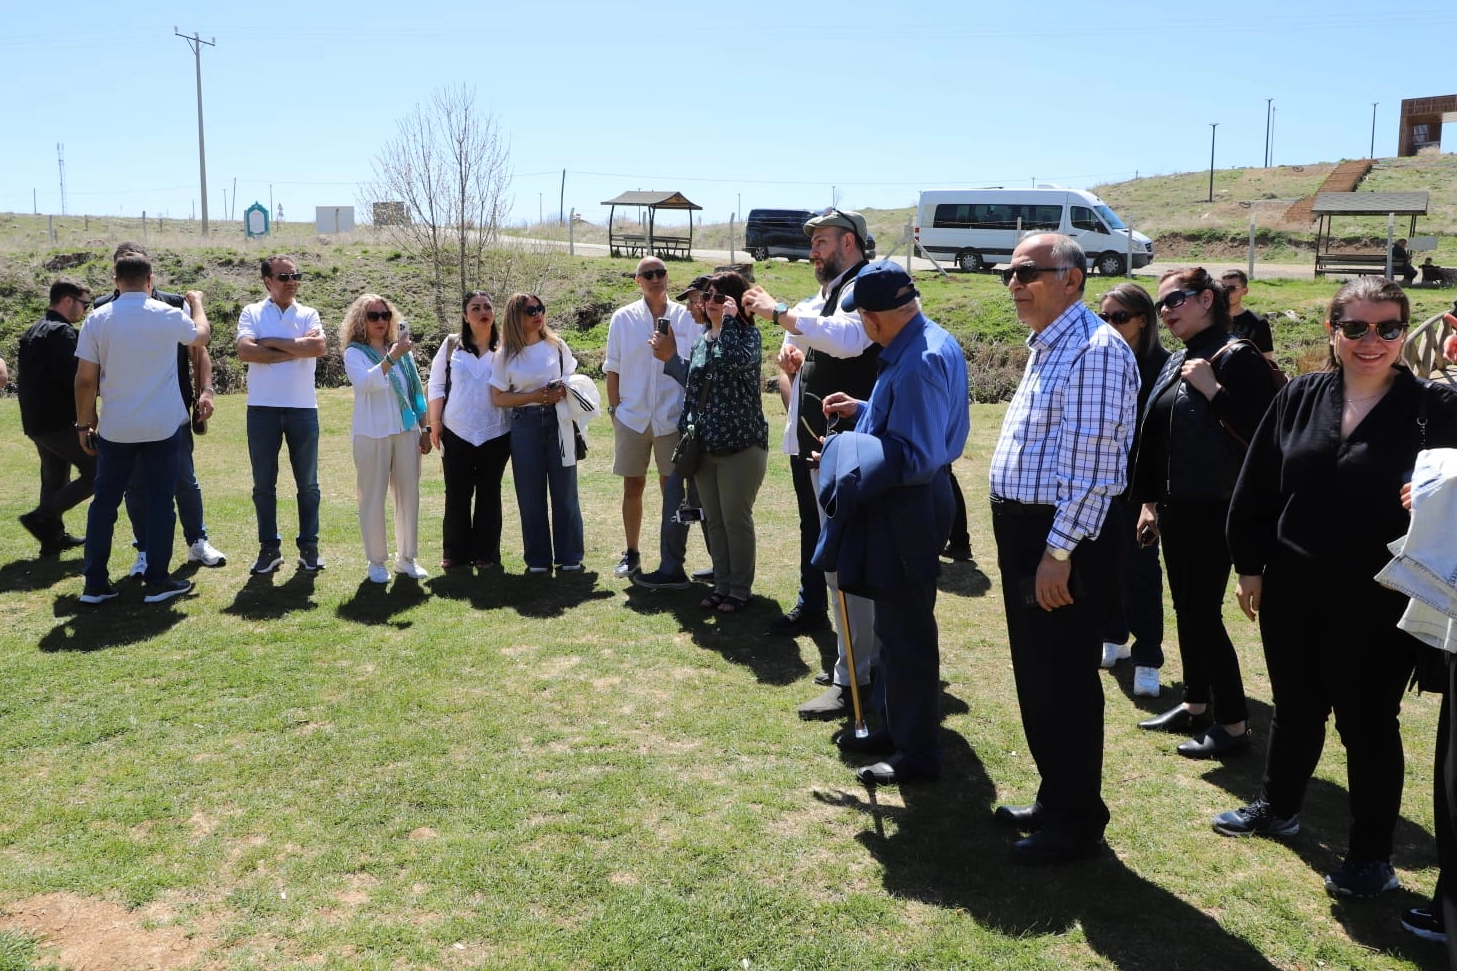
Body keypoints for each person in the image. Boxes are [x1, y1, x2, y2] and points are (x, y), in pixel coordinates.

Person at [1217, 277, 1457, 900]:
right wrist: (1249, 564)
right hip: (1292, 583)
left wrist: (1433, 496)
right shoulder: (1300, 394)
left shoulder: (1435, 407)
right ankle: (1278, 805)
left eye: (1387, 328)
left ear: (1406, 334)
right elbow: (1259, 484)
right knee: (1296, 705)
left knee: (1369, 723)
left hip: (1379, 597)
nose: (1371, 341)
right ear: (1334, 331)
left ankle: (1371, 856)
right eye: (1356, 328)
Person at [988, 233, 1139, 865]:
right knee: (1039, 673)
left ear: (1072, 279)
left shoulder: (1095, 350)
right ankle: (1057, 797)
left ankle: (1078, 823)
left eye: (1029, 272)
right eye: (1011, 273)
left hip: (1058, 538)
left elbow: (1093, 469)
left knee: (1064, 678)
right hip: (1033, 533)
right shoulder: (1050, 346)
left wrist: (1058, 551)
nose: (1016, 283)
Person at [815, 261, 969, 786]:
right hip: (910, 501)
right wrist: (865, 410)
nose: (861, 327)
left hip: (912, 504)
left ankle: (917, 753)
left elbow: (915, 455)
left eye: (861, 319)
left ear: (877, 318)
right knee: (891, 626)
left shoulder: (920, 360)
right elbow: (909, 421)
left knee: (906, 634)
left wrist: (847, 455)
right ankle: (893, 726)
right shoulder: (924, 340)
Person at [1132, 268, 1277, 757]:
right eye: (1161, 305)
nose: (1167, 311)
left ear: (1208, 298)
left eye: (1177, 299)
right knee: (1188, 610)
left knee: (1201, 613)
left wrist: (1215, 391)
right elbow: (1159, 436)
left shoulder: (1237, 357)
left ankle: (1234, 725)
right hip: (1180, 506)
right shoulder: (1181, 358)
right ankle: (1196, 704)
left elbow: (1266, 433)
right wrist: (1151, 502)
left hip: (1218, 506)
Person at [743, 209, 880, 717]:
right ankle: (858, 665)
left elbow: (850, 339)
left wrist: (775, 309)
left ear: (849, 243)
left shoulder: (864, 285)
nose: (813, 252)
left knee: (850, 565)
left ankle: (856, 678)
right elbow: (832, 343)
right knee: (841, 562)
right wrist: (803, 364)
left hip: (853, 451)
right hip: (831, 447)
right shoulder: (836, 290)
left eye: (821, 241)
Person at [73, 254, 210, 604]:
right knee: (162, 503)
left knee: (104, 504)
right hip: (161, 425)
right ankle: (158, 580)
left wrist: (84, 423)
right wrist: (196, 303)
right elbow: (201, 337)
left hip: (117, 427)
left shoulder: (97, 319)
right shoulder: (167, 315)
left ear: (116, 281)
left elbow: (85, 381)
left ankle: (94, 584)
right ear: (150, 280)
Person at [92, 242, 225, 576]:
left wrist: (205, 389)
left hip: (171, 413)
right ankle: (146, 551)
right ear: (117, 274)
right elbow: (90, 370)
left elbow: (199, 349)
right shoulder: (101, 310)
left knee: (184, 481)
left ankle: (197, 541)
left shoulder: (172, 304)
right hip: (124, 418)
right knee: (135, 488)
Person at [1094, 283, 1169, 698]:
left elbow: (1161, 437)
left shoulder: (1163, 365)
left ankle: (1148, 655)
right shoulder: (1100, 360)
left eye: (1120, 317)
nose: (1110, 325)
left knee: (1141, 571)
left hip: (1144, 486)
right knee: (1105, 564)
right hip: (1103, 480)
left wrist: (1151, 501)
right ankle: (1113, 635)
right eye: (1103, 317)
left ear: (1143, 319)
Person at [604, 257, 699, 581]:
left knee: (672, 490)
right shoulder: (623, 318)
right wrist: (615, 411)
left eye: (660, 273)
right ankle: (631, 553)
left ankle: (669, 562)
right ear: (637, 280)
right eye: (649, 274)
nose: (656, 278)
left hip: (672, 418)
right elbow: (612, 368)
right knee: (633, 487)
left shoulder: (687, 317)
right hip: (632, 417)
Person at [680, 271, 768, 613]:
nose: (711, 303)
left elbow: (729, 361)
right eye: (708, 297)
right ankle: (721, 584)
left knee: (735, 519)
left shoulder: (748, 336)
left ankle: (739, 590)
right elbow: (692, 391)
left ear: (734, 302)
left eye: (719, 298)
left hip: (741, 445)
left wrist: (731, 322)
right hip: (705, 444)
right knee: (713, 520)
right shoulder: (702, 339)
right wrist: (687, 430)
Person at [237, 255, 328, 574]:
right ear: (267, 281)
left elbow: (318, 348)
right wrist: (294, 349)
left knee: (308, 485)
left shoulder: (308, 313)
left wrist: (272, 344)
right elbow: (246, 351)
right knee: (263, 485)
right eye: (283, 276)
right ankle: (269, 549)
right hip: (262, 409)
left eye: (295, 275)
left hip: (303, 408)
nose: (291, 281)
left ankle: (309, 547)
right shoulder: (252, 312)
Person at [489, 293, 585, 574]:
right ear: (515, 316)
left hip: (559, 421)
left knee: (565, 491)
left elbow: (573, 378)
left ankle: (570, 557)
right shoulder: (505, 354)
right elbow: (498, 397)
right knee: (530, 496)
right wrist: (533, 396)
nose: (537, 314)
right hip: (525, 425)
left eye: (540, 308)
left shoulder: (556, 346)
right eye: (530, 310)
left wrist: (562, 390)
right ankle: (538, 559)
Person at [341, 294, 431, 584]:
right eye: (373, 316)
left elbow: (416, 393)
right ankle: (376, 561)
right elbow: (366, 383)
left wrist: (425, 428)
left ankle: (407, 559)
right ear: (361, 321)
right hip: (371, 433)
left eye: (385, 315)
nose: (381, 321)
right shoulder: (354, 352)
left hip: (405, 431)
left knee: (409, 496)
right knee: (372, 498)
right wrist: (392, 357)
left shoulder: (401, 352)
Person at [426, 291, 511, 570]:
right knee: (457, 493)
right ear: (465, 316)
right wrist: (435, 425)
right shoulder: (452, 346)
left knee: (489, 493)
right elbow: (436, 386)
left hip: (496, 431)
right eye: (475, 308)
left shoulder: (507, 348)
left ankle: (486, 554)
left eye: (487, 306)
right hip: (456, 430)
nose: (482, 311)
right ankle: (455, 553)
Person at [17, 279, 94, 556]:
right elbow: (75, 379)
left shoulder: (33, 330)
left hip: (36, 421)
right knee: (97, 472)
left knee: (54, 478)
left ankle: (52, 538)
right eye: (83, 304)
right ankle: (41, 517)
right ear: (67, 300)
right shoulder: (63, 333)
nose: (85, 310)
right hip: (59, 421)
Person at [1221, 270, 1275, 360]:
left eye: (1231, 288)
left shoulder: (1258, 323)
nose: (1226, 292)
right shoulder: (1208, 319)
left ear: (1245, 291)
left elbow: (1267, 362)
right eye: (1222, 287)